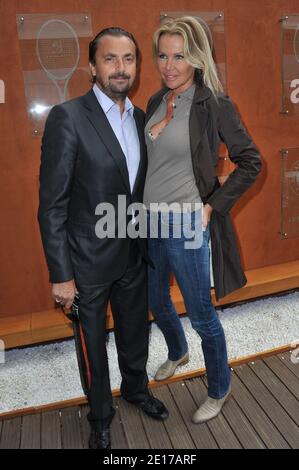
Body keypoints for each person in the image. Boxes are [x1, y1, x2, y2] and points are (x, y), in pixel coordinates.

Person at [38, 27, 168, 450]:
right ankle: (100, 416)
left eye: (128, 59)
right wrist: (61, 275)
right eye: (110, 59)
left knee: (135, 334)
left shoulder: (140, 118)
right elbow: (52, 205)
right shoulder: (68, 117)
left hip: (133, 253)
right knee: (92, 348)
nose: (120, 68)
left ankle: (135, 389)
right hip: (86, 265)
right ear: (92, 67)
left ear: (137, 65)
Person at [144, 16, 261, 424]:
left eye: (179, 55)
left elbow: (251, 161)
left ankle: (218, 387)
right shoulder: (157, 101)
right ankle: (178, 352)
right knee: (155, 299)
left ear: (197, 58)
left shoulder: (214, 103)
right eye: (163, 55)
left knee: (200, 314)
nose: (169, 65)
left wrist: (211, 206)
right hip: (149, 221)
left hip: (186, 224)